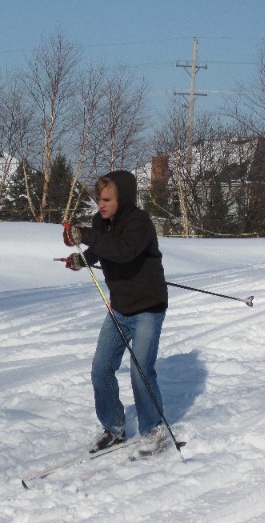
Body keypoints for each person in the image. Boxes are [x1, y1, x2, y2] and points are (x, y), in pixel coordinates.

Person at [62, 169, 170, 456]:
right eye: (99, 199)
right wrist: (80, 259)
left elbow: (123, 251)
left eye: (107, 199)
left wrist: (86, 235)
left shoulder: (140, 223)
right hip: (120, 308)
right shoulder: (101, 222)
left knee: (141, 371)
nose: (101, 204)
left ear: (123, 198)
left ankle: (153, 430)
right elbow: (102, 250)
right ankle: (114, 428)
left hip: (148, 308)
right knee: (101, 368)